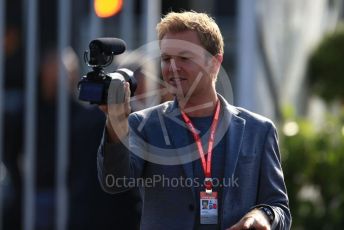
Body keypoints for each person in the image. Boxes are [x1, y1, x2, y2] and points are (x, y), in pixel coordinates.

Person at [97, 11, 291, 230]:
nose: (172, 67)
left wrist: (262, 215)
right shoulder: (143, 124)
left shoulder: (259, 130)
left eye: (184, 58)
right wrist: (115, 122)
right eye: (166, 58)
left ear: (214, 63)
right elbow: (115, 181)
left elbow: (279, 207)